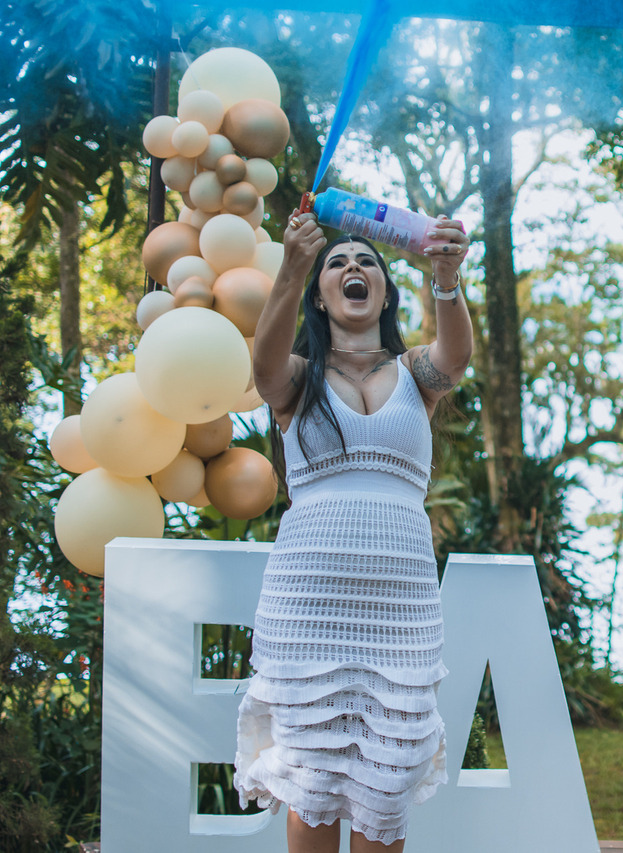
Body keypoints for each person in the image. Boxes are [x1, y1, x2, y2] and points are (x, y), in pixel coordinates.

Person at [233, 204, 473, 852]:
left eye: (367, 261)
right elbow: (262, 367)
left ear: (386, 290)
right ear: (320, 291)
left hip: (401, 611)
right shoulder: (299, 379)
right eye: (338, 262)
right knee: (312, 787)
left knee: (385, 789)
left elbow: (456, 354)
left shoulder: (414, 376)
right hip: (308, 606)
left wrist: (445, 279)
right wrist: (292, 265)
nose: (354, 267)